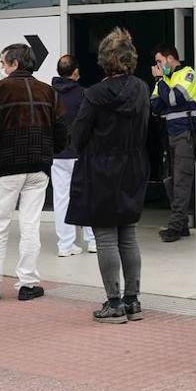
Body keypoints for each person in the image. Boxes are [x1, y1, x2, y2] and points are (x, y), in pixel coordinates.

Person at [0, 43, 66, 302]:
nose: (1, 67)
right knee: (30, 225)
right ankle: (28, 283)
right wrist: (48, 151)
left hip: (6, 168)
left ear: (13, 63)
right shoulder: (48, 92)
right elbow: (62, 133)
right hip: (38, 166)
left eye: (3, 62)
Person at [66, 28, 151, 324]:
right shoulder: (141, 88)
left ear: (104, 61)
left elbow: (78, 136)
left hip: (100, 169)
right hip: (133, 165)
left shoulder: (94, 94)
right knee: (128, 234)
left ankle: (114, 303)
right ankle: (133, 301)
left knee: (105, 237)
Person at [150, 43, 196, 242]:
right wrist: (164, 89)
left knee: (181, 179)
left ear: (171, 58)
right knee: (169, 179)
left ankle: (175, 227)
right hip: (169, 134)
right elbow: (155, 106)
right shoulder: (164, 79)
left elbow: (173, 99)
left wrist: (161, 84)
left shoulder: (187, 74)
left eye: (160, 61)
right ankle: (182, 225)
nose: (157, 66)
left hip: (186, 133)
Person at [51, 54, 96, 257]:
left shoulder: (50, 94)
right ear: (76, 72)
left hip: (57, 154)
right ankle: (92, 240)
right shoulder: (84, 94)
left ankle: (65, 244)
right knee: (86, 195)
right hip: (80, 153)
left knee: (61, 199)